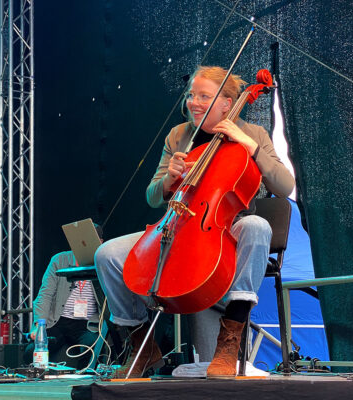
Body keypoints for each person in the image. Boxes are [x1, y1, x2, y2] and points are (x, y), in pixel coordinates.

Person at [94, 66, 295, 378]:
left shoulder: (254, 134)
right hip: (179, 223)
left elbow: (284, 186)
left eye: (204, 96)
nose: (193, 102)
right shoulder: (179, 136)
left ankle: (229, 342)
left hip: (229, 226)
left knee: (258, 227)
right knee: (107, 255)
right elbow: (152, 196)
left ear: (227, 103)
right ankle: (142, 348)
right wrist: (169, 179)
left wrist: (249, 146)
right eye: (191, 95)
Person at [25, 224, 103, 370]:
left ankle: (82, 385)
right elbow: (45, 294)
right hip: (58, 321)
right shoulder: (59, 260)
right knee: (30, 352)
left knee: (90, 351)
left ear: (100, 242)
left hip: (87, 324)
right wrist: (38, 326)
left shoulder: (103, 263)